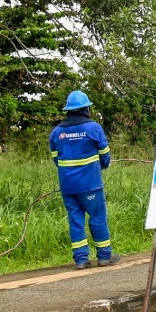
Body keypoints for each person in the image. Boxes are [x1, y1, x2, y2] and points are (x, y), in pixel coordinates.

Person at [50, 90, 119, 270]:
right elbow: (105, 154)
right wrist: (102, 166)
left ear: (69, 110)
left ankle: (81, 260)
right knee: (97, 218)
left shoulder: (57, 132)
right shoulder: (93, 128)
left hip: (68, 186)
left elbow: (56, 159)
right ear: (85, 109)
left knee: (75, 220)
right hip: (90, 185)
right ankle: (104, 256)